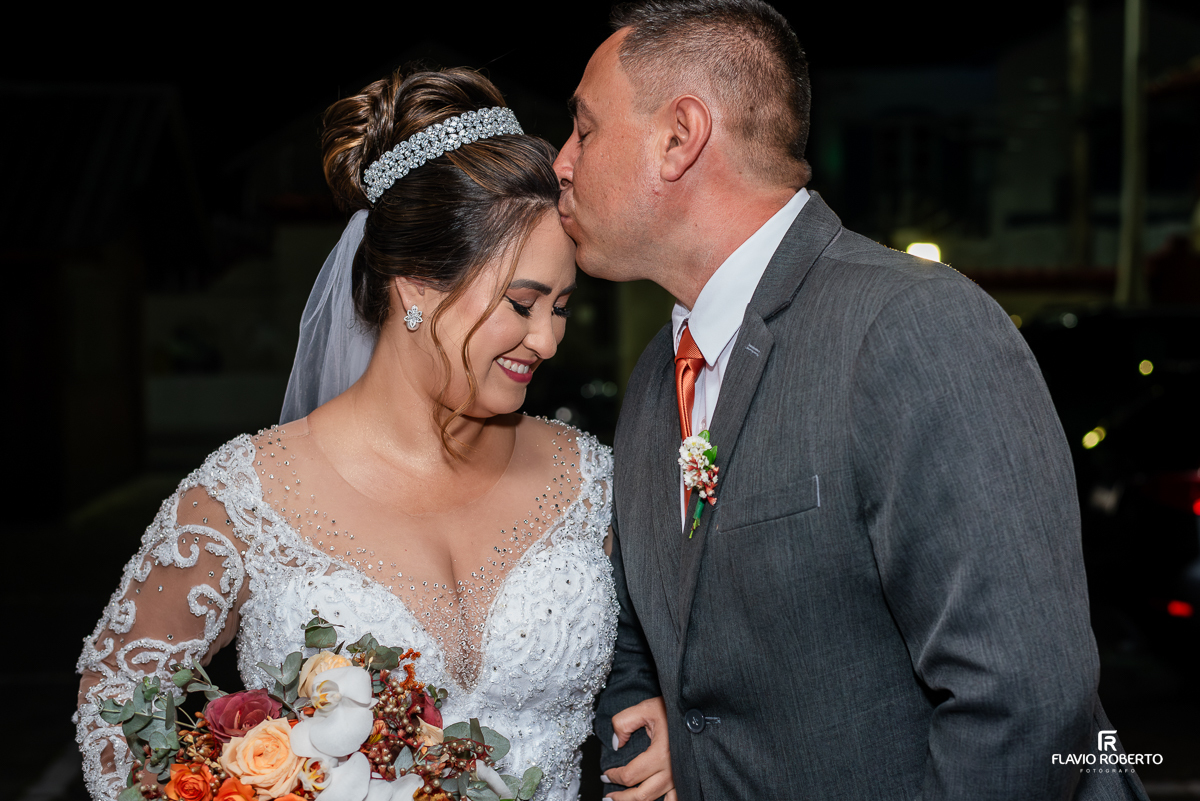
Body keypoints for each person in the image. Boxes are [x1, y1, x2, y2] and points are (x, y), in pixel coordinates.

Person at [553, 2, 1151, 799]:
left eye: (585, 130)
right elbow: (645, 625)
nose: (561, 161)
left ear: (679, 137)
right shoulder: (658, 374)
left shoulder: (914, 325)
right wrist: (651, 721)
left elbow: (1022, 703)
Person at [75, 67, 671, 801]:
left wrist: (672, 722)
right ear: (416, 285)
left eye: (562, 307)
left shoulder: (592, 479)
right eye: (522, 303)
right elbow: (114, 700)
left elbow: (677, 658)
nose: (547, 339)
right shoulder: (243, 498)